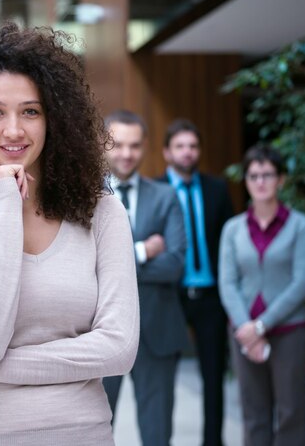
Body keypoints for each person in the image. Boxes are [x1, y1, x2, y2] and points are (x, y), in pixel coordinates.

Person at [0, 21, 140, 445]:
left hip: (80, 434)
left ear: (55, 118)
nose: (13, 130)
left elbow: (119, 348)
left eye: (31, 111)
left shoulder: (103, 213)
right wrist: (6, 205)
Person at [101, 110, 188, 446]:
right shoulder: (84, 198)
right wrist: (141, 252)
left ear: (144, 147)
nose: (126, 154)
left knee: (157, 433)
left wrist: (113, 263)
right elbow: (86, 266)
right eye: (119, 145)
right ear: (103, 144)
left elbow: (175, 264)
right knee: (93, 429)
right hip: (101, 331)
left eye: (135, 146)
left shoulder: (165, 197)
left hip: (158, 331)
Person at [219, 144, 305, 446]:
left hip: (289, 333)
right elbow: (227, 282)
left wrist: (262, 326)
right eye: (254, 175)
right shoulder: (232, 229)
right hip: (243, 333)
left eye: (268, 174)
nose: (260, 181)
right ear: (246, 180)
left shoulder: (301, 226)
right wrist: (247, 328)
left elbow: (302, 282)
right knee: (254, 413)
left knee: (291, 412)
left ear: (281, 180)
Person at [158, 118, 233, 446]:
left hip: (211, 296)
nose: (187, 153)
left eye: (192, 146)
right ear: (167, 152)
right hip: (169, 297)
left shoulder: (217, 189)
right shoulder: (156, 192)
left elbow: (228, 243)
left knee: (214, 377)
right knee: (163, 381)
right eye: (180, 147)